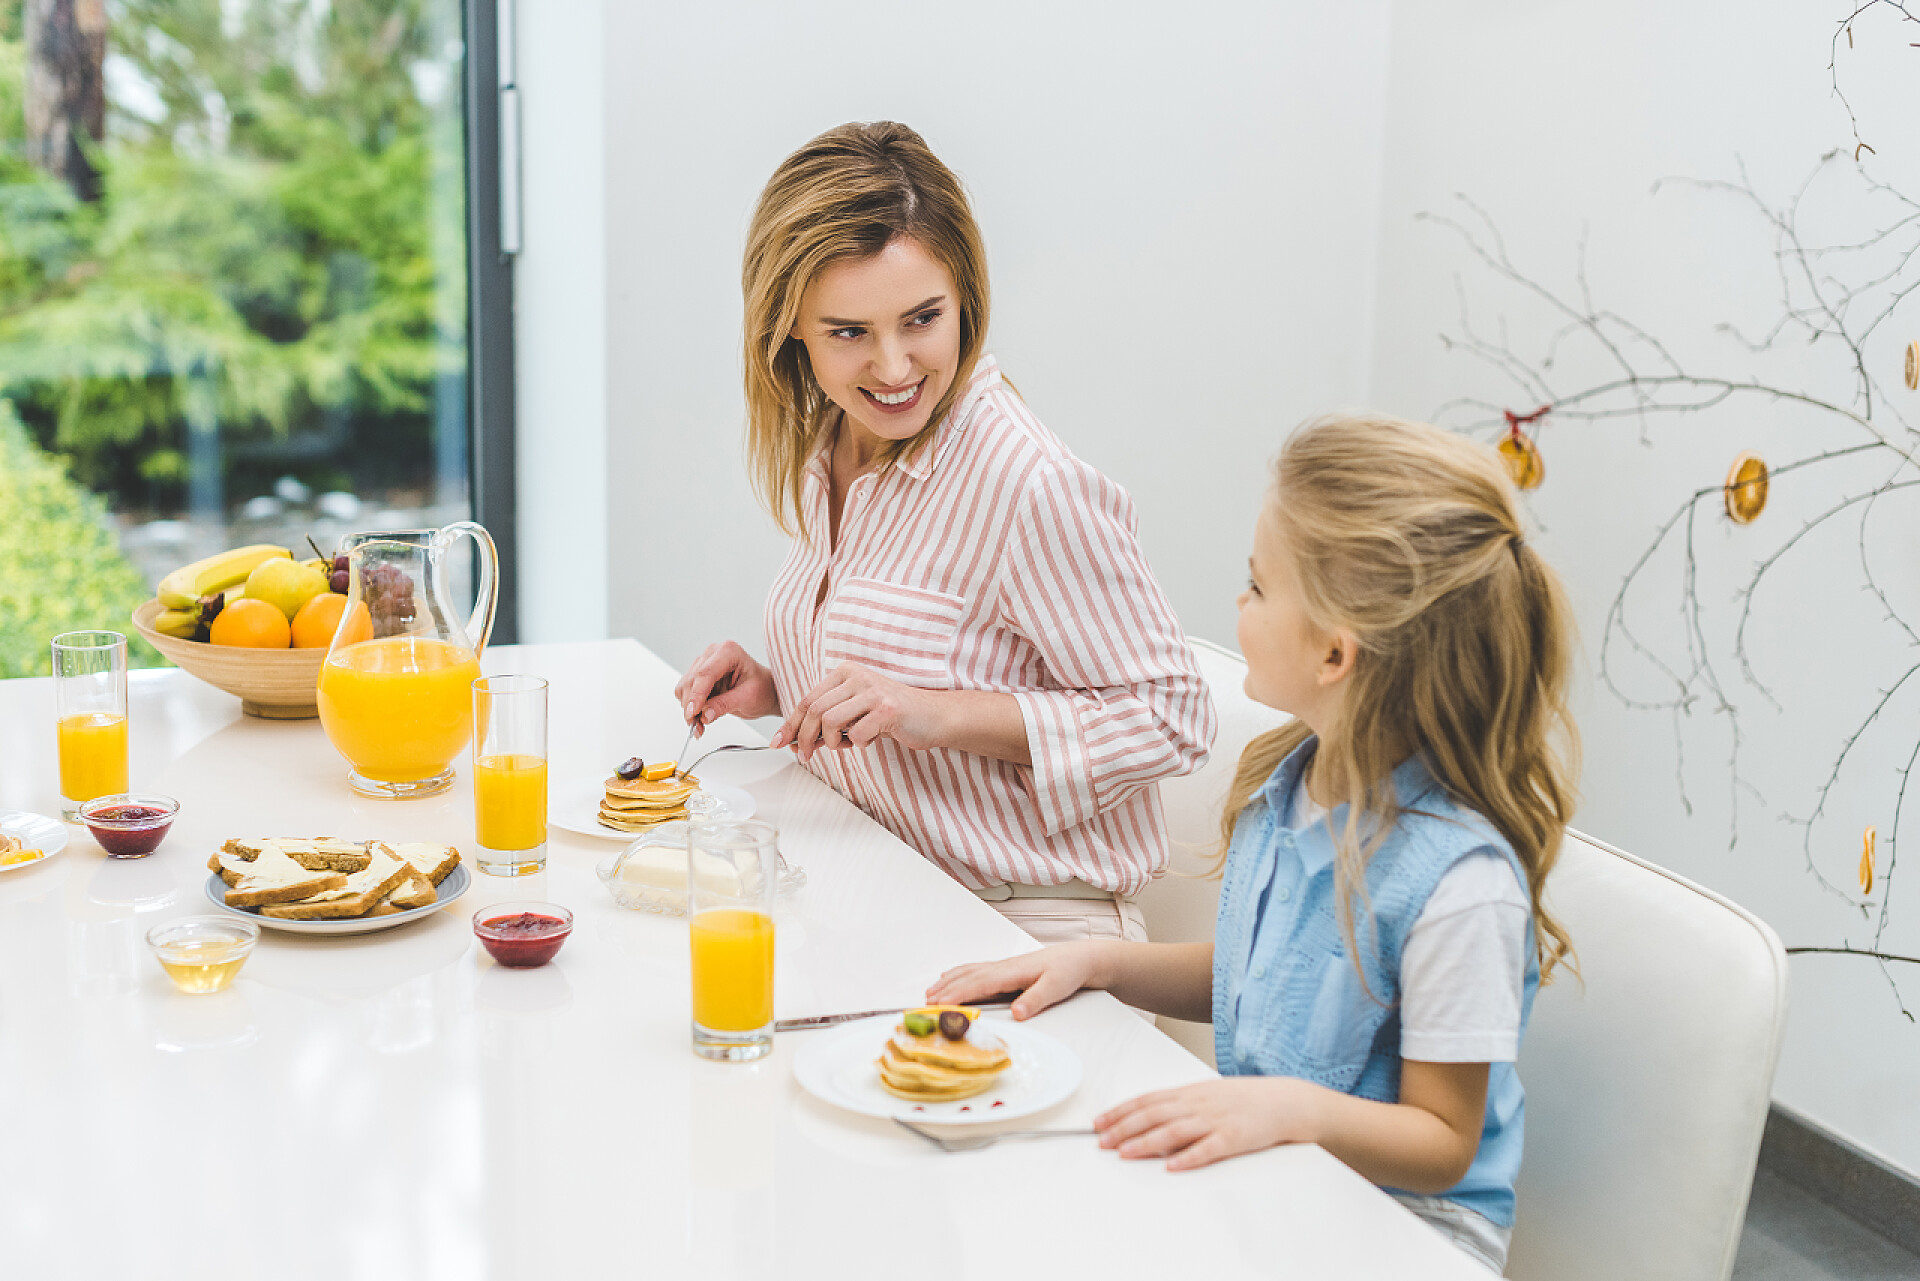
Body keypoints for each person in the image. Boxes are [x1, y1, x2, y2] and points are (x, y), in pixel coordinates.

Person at [929, 414, 1579, 1275]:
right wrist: (1102, 963)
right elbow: (1261, 972)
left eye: (1258, 585)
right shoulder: (1293, 782)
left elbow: (1444, 1141)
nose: (1240, 602)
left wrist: (1289, 1112)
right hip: (1282, 1182)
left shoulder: (1461, 886)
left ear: (1335, 653)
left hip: (1409, 1234)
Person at [675, 122, 1215, 944]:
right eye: (849, 332)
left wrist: (934, 712)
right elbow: (923, 665)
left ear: (964, 298)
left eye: (922, 318)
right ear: (790, 331)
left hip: (1028, 930)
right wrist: (783, 685)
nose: (894, 368)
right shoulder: (837, 441)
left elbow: (1175, 716)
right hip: (882, 899)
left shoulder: (1028, 482)